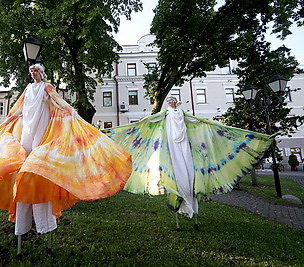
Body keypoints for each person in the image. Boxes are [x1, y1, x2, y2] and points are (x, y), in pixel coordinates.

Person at [0, 63, 132, 238]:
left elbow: (57, 100)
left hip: (43, 123)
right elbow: (19, 106)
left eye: (36, 71)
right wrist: (9, 118)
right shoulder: (28, 88)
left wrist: (71, 111)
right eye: (31, 71)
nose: (33, 73)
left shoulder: (46, 86)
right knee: (24, 157)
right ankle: (24, 218)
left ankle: (43, 219)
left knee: (38, 156)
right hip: (26, 125)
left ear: (41, 73)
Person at [104, 96, 273, 229]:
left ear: (176, 103)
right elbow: (147, 121)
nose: (171, 103)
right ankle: (182, 204)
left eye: (173, 101)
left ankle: (190, 205)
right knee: (177, 174)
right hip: (170, 146)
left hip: (184, 146)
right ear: (167, 104)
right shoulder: (164, 115)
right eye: (169, 102)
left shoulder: (184, 114)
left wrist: (212, 124)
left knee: (188, 174)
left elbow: (199, 121)